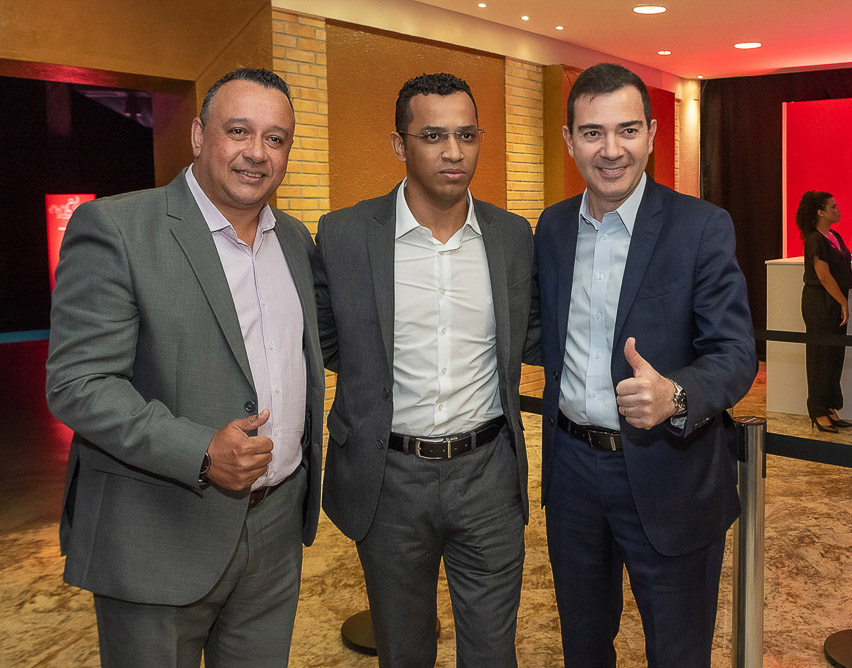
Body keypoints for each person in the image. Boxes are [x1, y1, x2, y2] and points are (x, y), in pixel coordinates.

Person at [45, 68, 324, 667]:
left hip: (275, 533)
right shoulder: (118, 228)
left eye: (275, 138)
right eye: (239, 131)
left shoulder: (295, 241)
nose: (257, 153)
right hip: (157, 532)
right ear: (198, 135)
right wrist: (200, 451)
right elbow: (78, 384)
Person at [533, 63, 757, 668]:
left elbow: (736, 353)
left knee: (678, 653)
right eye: (593, 133)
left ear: (653, 134)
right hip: (572, 473)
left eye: (627, 130)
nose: (611, 150)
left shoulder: (700, 226)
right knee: (583, 648)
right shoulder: (552, 228)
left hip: (670, 473)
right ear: (569, 140)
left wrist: (675, 395)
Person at [313, 73, 535, 667]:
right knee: (404, 649)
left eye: (467, 135)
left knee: (492, 651)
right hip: (389, 479)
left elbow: (531, 331)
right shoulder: (344, 234)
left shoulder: (512, 236)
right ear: (399, 144)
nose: (453, 152)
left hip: (488, 476)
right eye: (433, 136)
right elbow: (330, 340)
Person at [796, 191, 852, 433]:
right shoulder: (815, 239)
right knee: (820, 356)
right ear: (820, 212)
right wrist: (843, 302)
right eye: (833, 206)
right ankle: (817, 409)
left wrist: (841, 301)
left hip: (835, 300)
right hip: (820, 302)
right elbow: (823, 275)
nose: (838, 210)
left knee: (834, 355)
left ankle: (830, 406)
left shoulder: (834, 236)